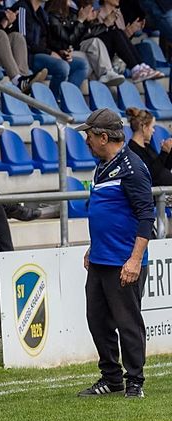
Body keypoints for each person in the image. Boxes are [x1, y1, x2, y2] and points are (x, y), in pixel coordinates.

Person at [76, 108, 155, 399]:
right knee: (97, 320)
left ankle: (135, 381)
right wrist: (92, 247)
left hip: (123, 261)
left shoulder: (133, 168)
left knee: (128, 322)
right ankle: (111, 377)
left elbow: (147, 215)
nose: (86, 140)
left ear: (103, 137)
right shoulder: (103, 165)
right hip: (100, 259)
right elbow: (106, 213)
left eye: (89, 135)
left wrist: (135, 260)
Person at [14, 0, 90, 98]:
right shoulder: (22, 8)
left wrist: (60, 51)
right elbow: (23, 42)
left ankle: (67, 100)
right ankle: (52, 101)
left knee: (81, 64)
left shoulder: (41, 12)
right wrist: (49, 53)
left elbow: (49, 40)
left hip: (44, 55)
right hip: (29, 57)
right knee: (62, 67)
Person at [45, 0, 125, 86]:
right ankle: (104, 75)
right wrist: (80, 20)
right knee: (90, 58)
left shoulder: (73, 11)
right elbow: (68, 39)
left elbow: (82, 36)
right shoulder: (53, 14)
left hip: (73, 50)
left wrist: (88, 22)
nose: (71, 4)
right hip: (60, 52)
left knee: (95, 44)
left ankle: (105, 75)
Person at [96, 0, 164, 82]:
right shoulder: (97, 13)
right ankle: (136, 69)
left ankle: (144, 69)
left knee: (145, 47)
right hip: (107, 55)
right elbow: (102, 39)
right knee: (117, 33)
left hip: (121, 54)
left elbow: (123, 40)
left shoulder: (118, 14)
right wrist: (107, 23)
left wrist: (130, 32)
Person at [125, 107, 172, 187]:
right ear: (144, 127)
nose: (153, 130)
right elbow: (150, 175)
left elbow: (164, 168)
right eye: (152, 127)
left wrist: (169, 151)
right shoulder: (132, 150)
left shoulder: (147, 146)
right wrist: (164, 153)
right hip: (157, 195)